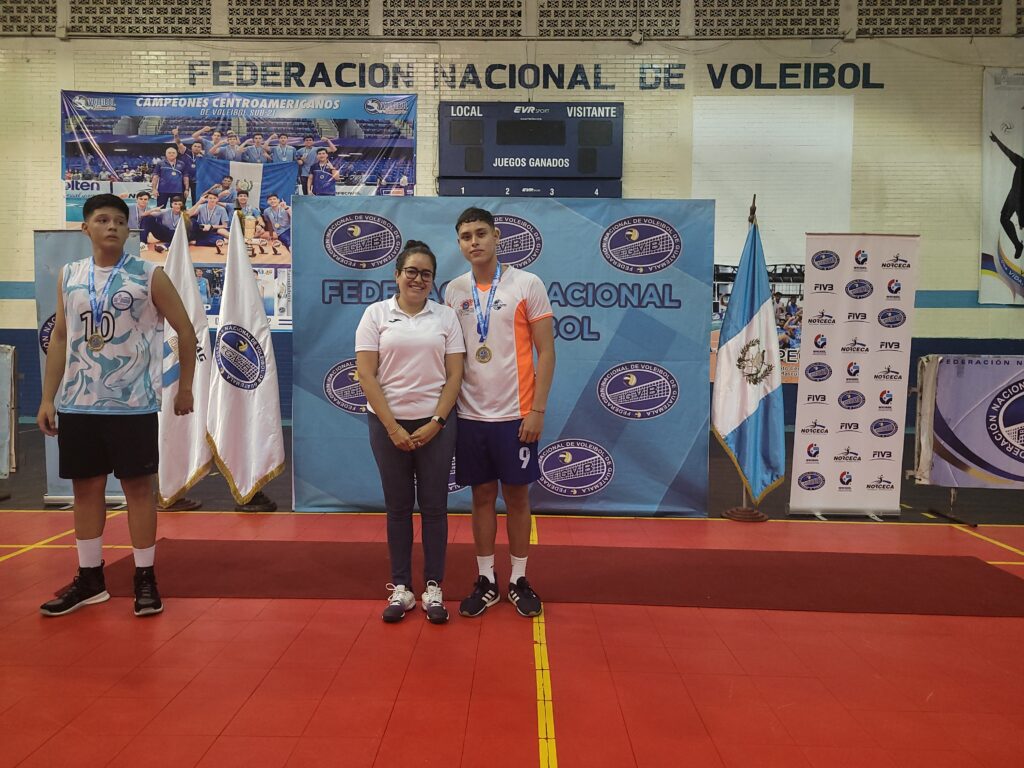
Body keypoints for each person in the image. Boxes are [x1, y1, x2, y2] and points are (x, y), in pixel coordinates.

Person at [36, 193, 197, 617]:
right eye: (103, 219)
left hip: (133, 405)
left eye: (120, 221)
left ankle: (145, 577)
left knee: (139, 491)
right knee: (86, 491)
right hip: (78, 405)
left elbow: (185, 330)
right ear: (85, 227)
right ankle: (90, 579)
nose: (112, 226)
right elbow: (60, 337)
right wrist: (48, 397)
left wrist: (185, 387)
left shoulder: (149, 275)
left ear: (128, 230)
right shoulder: (70, 275)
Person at [444, 207, 555, 618]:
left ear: (496, 237)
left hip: (517, 415)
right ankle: (487, 580)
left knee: (518, 497)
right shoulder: (454, 291)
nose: (474, 242)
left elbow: (547, 352)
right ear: (459, 244)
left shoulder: (528, 284)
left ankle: (519, 580)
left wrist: (537, 409)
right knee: (481, 498)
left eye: (480, 233)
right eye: (466, 236)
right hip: (471, 416)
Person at [356, 241, 465, 624]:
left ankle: (434, 588)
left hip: (436, 426)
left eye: (426, 274)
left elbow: (455, 375)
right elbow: (366, 374)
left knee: (434, 508)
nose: (418, 279)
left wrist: (436, 422)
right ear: (397, 275)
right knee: (398, 508)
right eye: (411, 272)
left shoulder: (446, 317)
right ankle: (401, 588)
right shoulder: (375, 314)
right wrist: (392, 427)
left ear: (433, 280)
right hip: (387, 426)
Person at [990, 131, 1024, 259]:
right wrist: (997, 141)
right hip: (1014, 195)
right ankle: (1018, 245)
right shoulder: (1021, 162)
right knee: (1004, 219)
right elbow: (1008, 152)